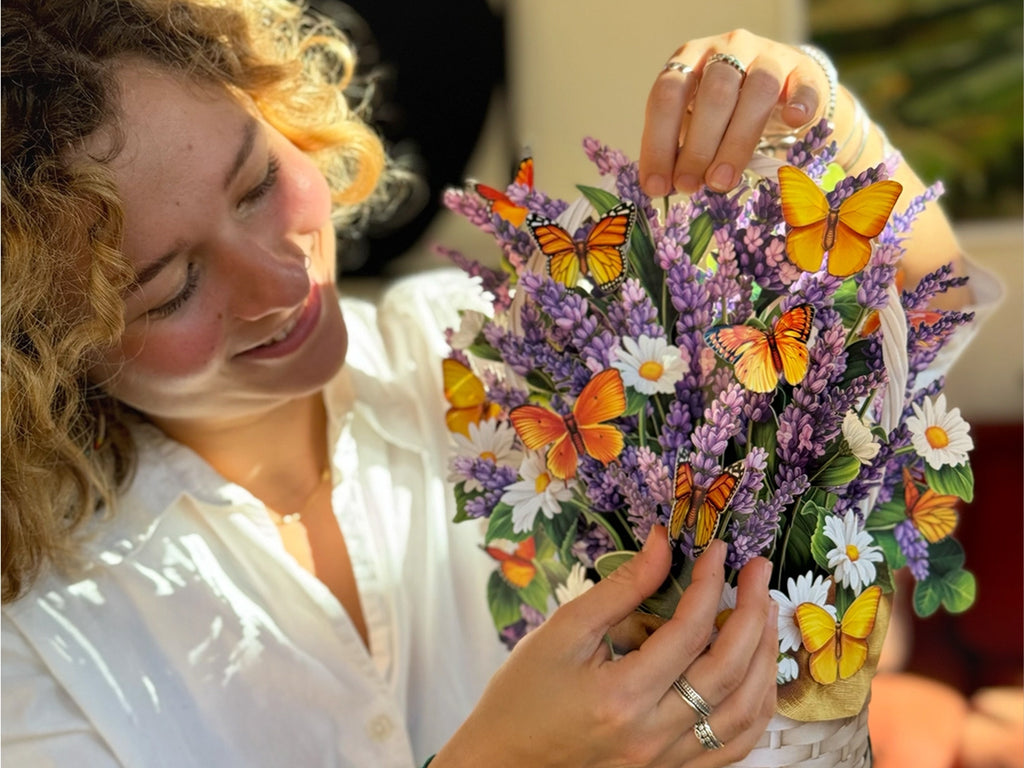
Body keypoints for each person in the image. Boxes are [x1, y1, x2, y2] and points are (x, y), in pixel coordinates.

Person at [0, 4, 990, 768]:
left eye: (259, 183)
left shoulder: (500, 347)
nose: (278, 281)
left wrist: (817, 125)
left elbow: (920, 308)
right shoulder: (36, 640)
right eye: (171, 287)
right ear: (39, 347)